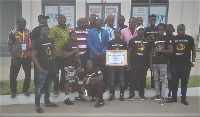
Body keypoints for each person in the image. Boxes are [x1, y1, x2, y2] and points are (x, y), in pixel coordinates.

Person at [32, 25, 58, 113]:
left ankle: (47, 102)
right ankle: (37, 106)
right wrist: (39, 67)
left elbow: (53, 53)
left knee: (48, 86)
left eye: (47, 29)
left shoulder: (51, 40)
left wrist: (53, 64)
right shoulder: (37, 42)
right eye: (44, 29)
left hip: (50, 67)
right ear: (41, 31)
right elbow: (33, 55)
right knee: (39, 87)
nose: (46, 31)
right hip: (42, 68)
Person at [170, 24, 196, 105]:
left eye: (182, 29)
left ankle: (183, 98)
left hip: (186, 65)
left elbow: (194, 50)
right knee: (174, 82)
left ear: (185, 29)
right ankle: (174, 98)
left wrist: (193, 61)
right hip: (175, 64)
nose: (180, 31)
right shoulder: (173, 38)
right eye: (179, 29)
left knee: (184, 82)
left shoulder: (189, 38)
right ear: (176, 30)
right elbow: (171, 50)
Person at [7, 18, 32, 98]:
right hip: (16, 57)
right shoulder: (12, 33)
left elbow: (30, 43)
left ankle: (25, 89)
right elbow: (10, 45)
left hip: (27, 57)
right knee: (13, 75)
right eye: (21, 23)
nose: (23, 24)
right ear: (17, 23)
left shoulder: (28, 32)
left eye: (24, 23)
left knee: (28, 74)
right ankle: (13, 91)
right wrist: (13, 58)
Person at [150, 23, 173, 105]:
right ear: (157, 30)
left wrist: (160, 51)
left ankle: (163, 97)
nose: (160, 31)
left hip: (163, 63)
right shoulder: (154, 39)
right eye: (159, 29)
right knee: (156, 79)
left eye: (162, 29)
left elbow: (171, 50)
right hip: (155, 62)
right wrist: (151, 63)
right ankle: (157, 95)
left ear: (164, 30)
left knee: (163, 80)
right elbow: (152, 52)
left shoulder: (166, 39)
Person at [49, 14, 70, 96]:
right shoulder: (54, 29)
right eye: (60, 18)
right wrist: (52, 54)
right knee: (55, 73)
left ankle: (62, 87)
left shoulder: (68, 29)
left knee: (65, 73)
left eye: (63, 18)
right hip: (56, 55)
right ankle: (56, 89)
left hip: (66, 55)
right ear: (58, 19)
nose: (62, 20)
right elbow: (51, 42)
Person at [127, 26, 150, 101]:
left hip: (144, 63)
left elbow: (149, 52)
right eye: (139, 30)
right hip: (134, 63)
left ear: (144, 31)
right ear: (137, 31)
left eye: (142, 30)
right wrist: (129, 63)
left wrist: (150, 63)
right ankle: (131, 93)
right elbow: (129, 52)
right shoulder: (132, 40)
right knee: (133, 79)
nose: (140, 32)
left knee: (142, 79)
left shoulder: (147, 41)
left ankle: (141, 94)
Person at [62, 31, 85, 105]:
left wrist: (80, 66)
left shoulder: (76, 45)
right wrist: (74, 51)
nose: (74, 37)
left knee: (76, 81)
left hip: (76, 66)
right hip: (69, 66)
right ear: (69, 37)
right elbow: (64, 55)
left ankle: (77, 96)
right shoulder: (66, 45)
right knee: (69, 82)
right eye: (73, 36)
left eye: (76, 36)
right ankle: (66, 98)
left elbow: (78, 57)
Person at [87, 18, 109, 87]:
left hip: (102, 56)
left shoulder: (106, 32)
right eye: (98, 22)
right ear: (95, 23)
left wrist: (102, 52)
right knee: (94, 71)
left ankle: (104, 85)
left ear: (102, 24)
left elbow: (107, 44)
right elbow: (89, 43)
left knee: (103, 70)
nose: (99, 23)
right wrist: (96, 52)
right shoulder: (91, 31)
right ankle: (93, 85)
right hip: (93, 56)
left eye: (101, 22)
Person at [71, 18, 89, 100]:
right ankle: (76, 93)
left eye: (82, 22)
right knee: (76, 74)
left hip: (85, 55)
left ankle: (81, 93)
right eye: (78, 22)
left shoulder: (87, 31)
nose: (80, 24)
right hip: (76, 55)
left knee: (82, 74)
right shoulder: (73, 31)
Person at [107, 29, 127, 101]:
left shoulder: (124, 43)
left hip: (121, 64)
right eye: (116, 32)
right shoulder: (110, 43)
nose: (118, 34)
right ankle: (112, 94)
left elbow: (126, 53)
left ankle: (122, 95)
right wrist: (108, 62)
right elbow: (108, 53)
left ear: (121, 34)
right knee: (112, 80)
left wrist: (125, 62)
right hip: (112, 64)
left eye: (119, 33)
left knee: (121, 79)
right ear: (114, 33)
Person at [30, 14, 50, 86]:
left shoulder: (48, 29)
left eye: (46, 19)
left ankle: (45, 88)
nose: (45, 20)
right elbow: (33, 43)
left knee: (47, 73)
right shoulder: (35, 30)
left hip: (47, 55)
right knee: (38, 72)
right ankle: (38, 88)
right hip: (38, 55)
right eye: (43, 19)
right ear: (39, 20)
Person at [121, 17, 138, 89]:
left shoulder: (138, 31)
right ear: (128, 23)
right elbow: (121, 42)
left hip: (136, 55)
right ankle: (125, 85)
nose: (132, 24)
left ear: (136, 23)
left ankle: (134, 85)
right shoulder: (123, 31)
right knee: (126, 70)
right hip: (125, 53)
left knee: (134, 70)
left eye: (133, 22)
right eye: (130, 22)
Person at [145, 14, 158, 90]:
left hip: (156, 50)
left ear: (155, 20)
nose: (152, 21)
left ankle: (153, 84)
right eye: (151, 20)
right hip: (147, 50)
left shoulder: (157, 29)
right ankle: (144, 83)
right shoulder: (146, 29)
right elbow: (144, 39)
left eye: (153, 20)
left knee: (155, 68)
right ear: (149, 21)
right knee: (146, 67)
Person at [165, 24, 175, 101]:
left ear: (173, 30)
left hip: (173, 62)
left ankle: (170, 92)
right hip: (163, 61)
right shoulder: (163, 38)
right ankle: (160, 94)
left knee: (170, 78)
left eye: (170, 28)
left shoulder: (175, 39)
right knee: (161, 78)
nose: (168, 30)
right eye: (167, 28)